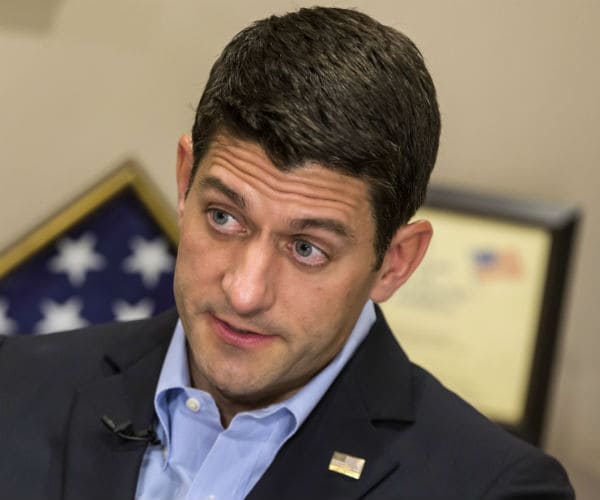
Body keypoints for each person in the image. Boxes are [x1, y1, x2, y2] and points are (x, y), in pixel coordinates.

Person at [0, 6, 574, 500]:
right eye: (224, 218)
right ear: (185, 180)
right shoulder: (15, 385)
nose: (244, 292)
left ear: (395, 262)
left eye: (306, 249)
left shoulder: (492, 488)